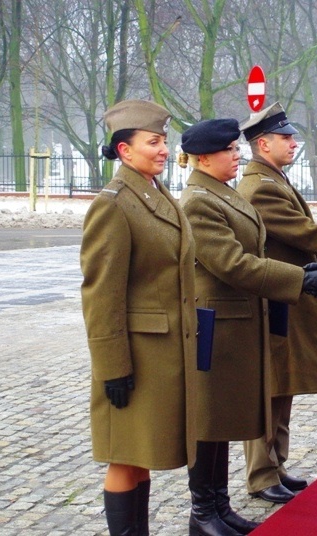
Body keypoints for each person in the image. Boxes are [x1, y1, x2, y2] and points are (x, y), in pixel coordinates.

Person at [177, 118, 317, 536]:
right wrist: (298, 279)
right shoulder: (197, 200)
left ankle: (218, 507)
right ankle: (204, 513)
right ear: (203, 157)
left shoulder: (221, 191)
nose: (237, 155)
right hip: (216, 324)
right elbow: (232, 263)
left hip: (237, 321)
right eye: (229, 150)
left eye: (236, 148)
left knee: (221, 421)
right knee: (210, 421)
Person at [236, 102, 317, 504]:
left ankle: (276, 465)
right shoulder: (260, 187)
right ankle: (261, 474)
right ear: (263, 144)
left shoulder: (271, 179)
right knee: (270, 387)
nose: (294, 143)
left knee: (284, 384)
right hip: (275, 300)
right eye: (285, 137)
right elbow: (313, 235)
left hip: (286, 300)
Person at [80, 99, 197, 536]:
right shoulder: (113, 204)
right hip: (134, 358)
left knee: (139, 455)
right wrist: (112, 366)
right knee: (125, 457)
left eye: (164, 140)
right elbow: (101, 294)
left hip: (159, 356)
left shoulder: (154, 192)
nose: (164, 149)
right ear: (125, 150)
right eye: (153, 142)